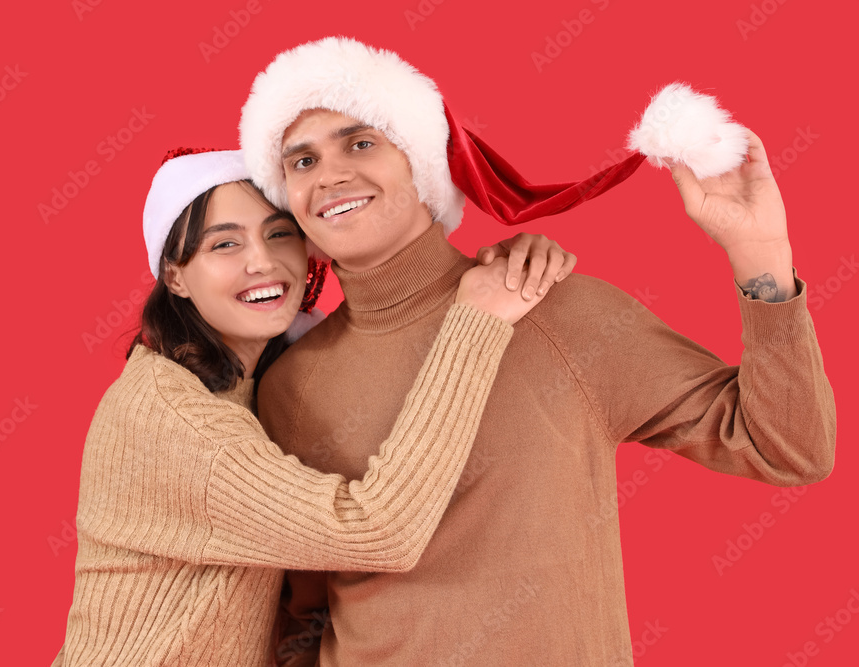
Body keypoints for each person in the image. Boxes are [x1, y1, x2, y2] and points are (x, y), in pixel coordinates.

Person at [238, 37, 837, 665]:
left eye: (361, 143)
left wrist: (761, 255)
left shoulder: (558, 311)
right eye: (300, 162)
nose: (330, 174)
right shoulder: (289, 385)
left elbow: (788, 448)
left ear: (421, 162)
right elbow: (301, 616)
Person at [51, 147, 580, 665]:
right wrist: (476, 322)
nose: (262, 261)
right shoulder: (177, 421)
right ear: (175, 277)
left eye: (279, 233)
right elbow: (377, 531)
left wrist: (515, 264)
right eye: (224, 245)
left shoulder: (264, 383)